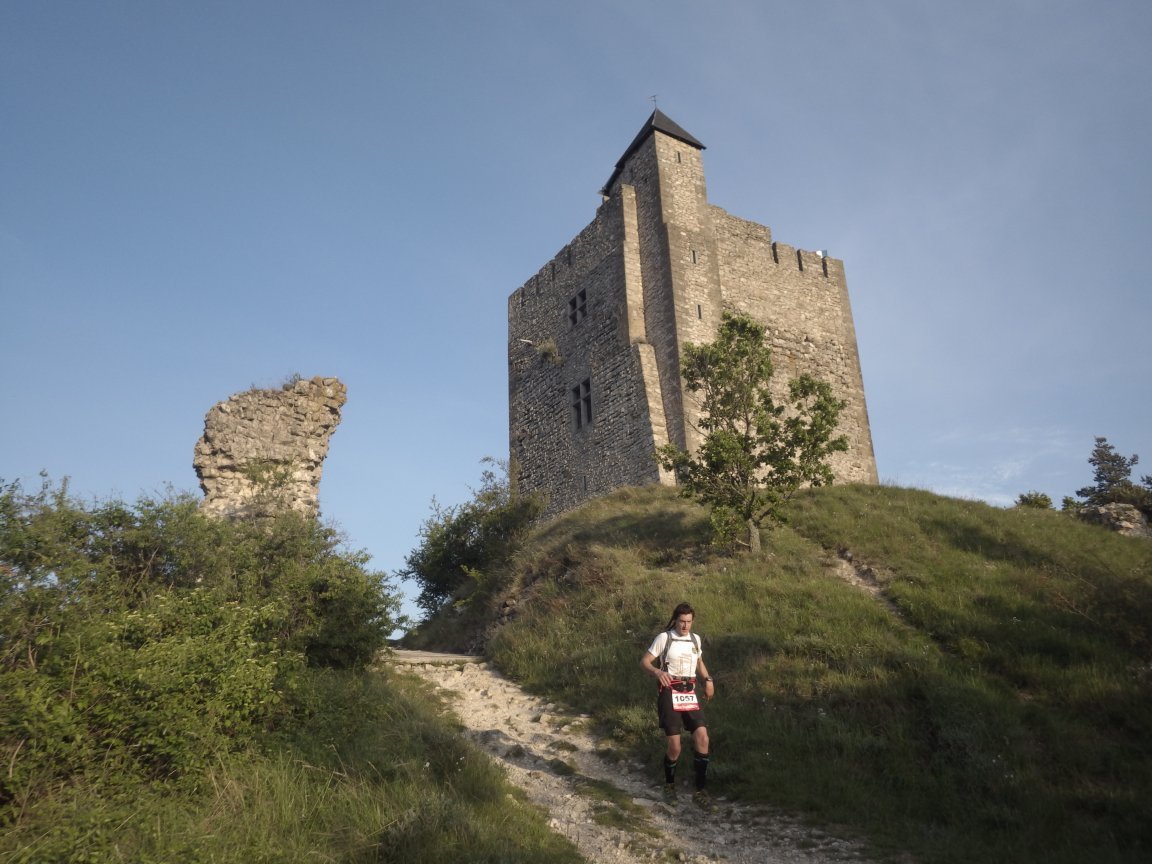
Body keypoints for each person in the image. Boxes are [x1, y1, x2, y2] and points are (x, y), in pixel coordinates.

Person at [640, 602, 714, 805]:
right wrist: (657, 671)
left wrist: (708, 680)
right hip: (669, 691)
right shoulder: (664, 638)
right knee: (675, 746)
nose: (685, 626)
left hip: (690, 691)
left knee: (703, 738)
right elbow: (645, 661)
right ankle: (669, 785)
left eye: (689, 622)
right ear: (675, 620)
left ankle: (700, 791)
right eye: (682, 621)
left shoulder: (695, 639)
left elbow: (699, 662)